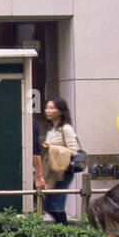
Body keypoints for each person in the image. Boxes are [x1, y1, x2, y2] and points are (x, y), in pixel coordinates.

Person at [41, 97, 81, 226]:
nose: (48, 111)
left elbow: (74, 151)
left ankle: (64, 233)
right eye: (47, 108)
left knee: (56, 205)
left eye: (52, 108)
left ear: (61, 111)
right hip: (54, 171)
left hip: (64, 171)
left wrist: (52, 148)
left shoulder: (66, 129)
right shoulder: (52, 129)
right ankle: (62, 231)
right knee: (48, 205)